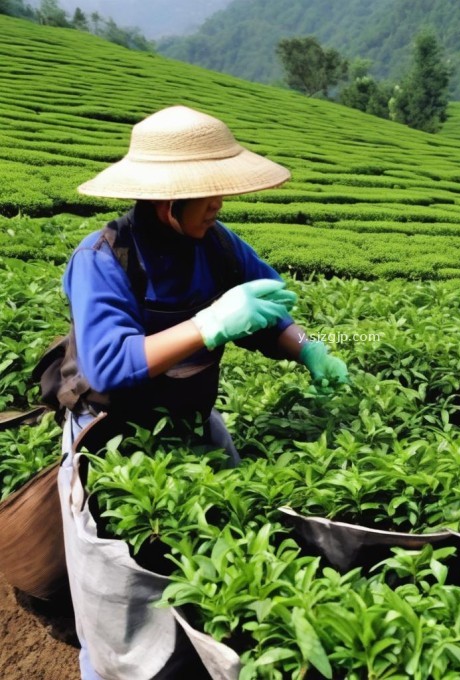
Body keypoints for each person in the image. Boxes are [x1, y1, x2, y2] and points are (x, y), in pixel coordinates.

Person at [58, 105, 348, 679]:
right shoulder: (102, 258)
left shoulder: (216, 242)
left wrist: (307, 347)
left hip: (191, 421)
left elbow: (264, 304)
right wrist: (209, 324)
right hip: (110, 438)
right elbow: (112, 364)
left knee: (225, 546)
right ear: (169, 202)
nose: (219, 205)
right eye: (208, 195)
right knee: (115, 596)